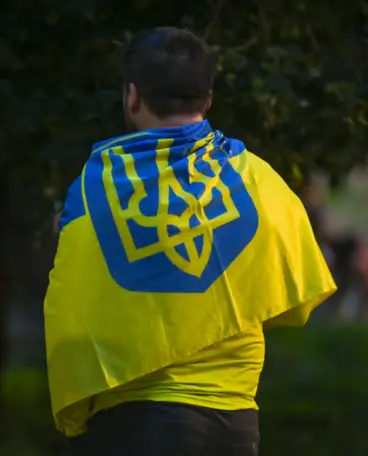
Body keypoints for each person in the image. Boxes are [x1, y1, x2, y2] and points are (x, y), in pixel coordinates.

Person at [43, 27, 336, 456]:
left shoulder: (97, 187)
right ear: (209, 98)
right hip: (235, 424)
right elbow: (293, 300)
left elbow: (71, 305)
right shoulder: (256, 179)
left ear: (132, 97)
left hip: (134, 422)